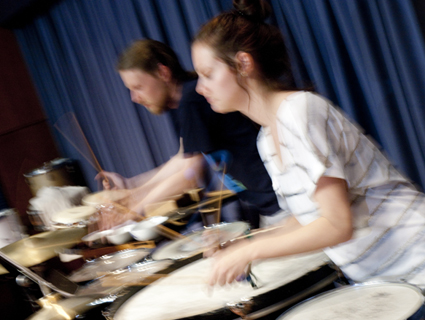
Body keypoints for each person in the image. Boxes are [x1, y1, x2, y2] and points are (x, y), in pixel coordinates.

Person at [191, 0, 425, 286]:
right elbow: (308, 218)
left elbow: (337, 225)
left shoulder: (299, 111)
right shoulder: (267, 139)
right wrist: (243, 243)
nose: (201, 88)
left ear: (242, 63)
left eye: (207, 74)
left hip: (418, 260)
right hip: (390, 283)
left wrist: (249, 251)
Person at [97, 39, 282, 229]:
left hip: (279, 202)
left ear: (163, 72)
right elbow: (183, 158)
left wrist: (133, 211)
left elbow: (189, 174)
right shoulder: (184, 101)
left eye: (138, 87)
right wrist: (132, 187)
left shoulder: (191, 100)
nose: (134, 98)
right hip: (271, 203)